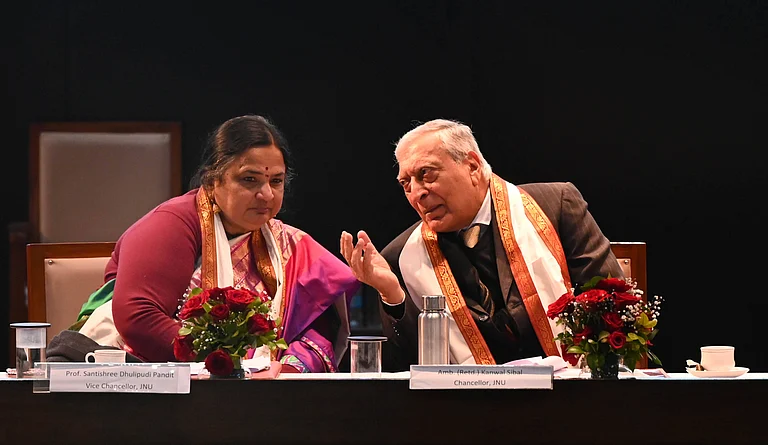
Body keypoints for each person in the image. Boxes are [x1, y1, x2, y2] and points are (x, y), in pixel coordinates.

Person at [77, 115, 359, 372]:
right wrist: (228, 367)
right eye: (249, 180)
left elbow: (316, 327)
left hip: (258, 389)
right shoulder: (172, 223)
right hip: (155, 380)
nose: (266, 195)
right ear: (212, 181)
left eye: (276, 181)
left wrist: (287, 369)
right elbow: (139, 318)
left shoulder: (289, 243)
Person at [340, 119, 622, 370]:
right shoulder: (400, 257)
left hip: (569, 396)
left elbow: (613, 304)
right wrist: (392, 296)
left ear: (472, 166)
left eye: (426, 174)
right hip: (469, 411)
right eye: (406, 183)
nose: (417, 193)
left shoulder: (554, 207)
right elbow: (402, 369)